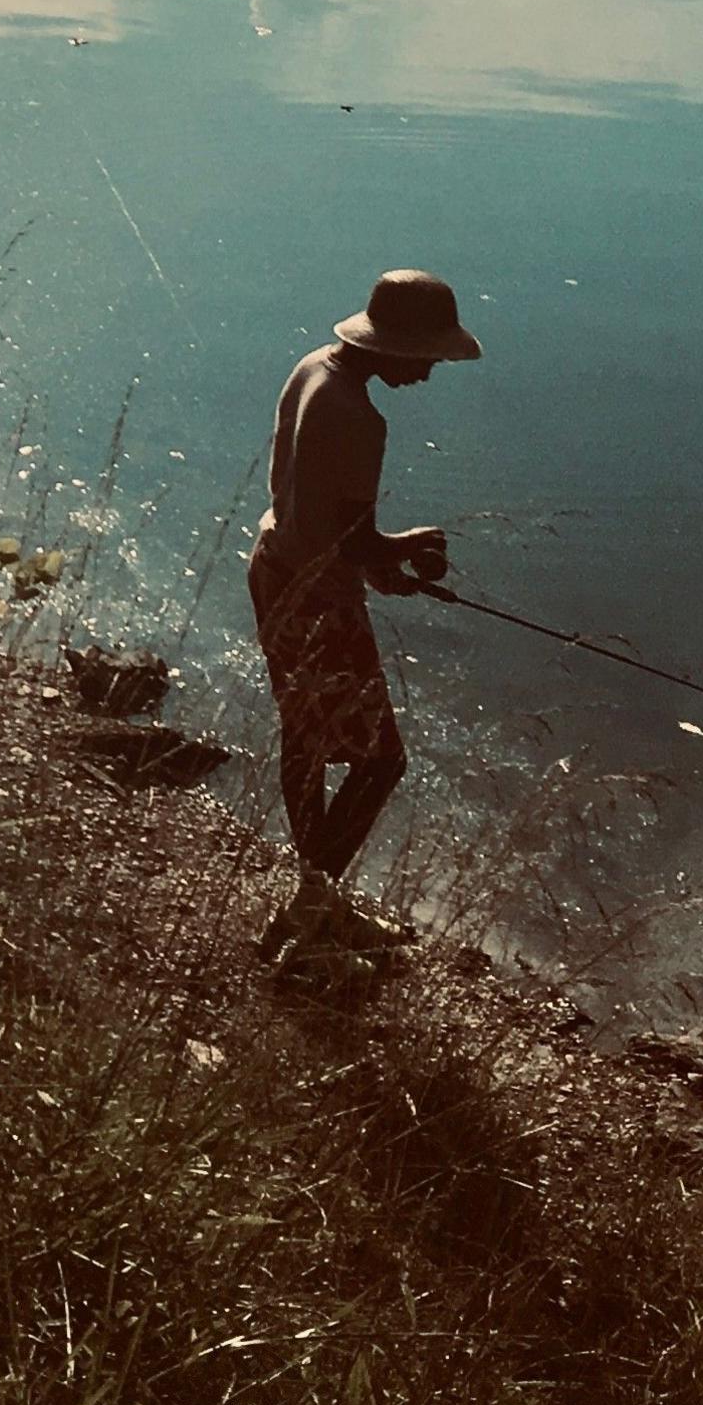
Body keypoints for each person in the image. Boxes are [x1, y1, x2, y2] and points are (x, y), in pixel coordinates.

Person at [247, 269, 480, 959]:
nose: (430, 374)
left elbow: (319, 511)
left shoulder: (313, 368)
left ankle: (313, 903)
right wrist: (407, 547)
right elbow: (357, 541)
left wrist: (381, 570)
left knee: (306, 740)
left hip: (275, 567)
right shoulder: (360, 419)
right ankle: (310, 907)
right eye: (429, 357)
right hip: (317, 598)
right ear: (397, 345)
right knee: (381, 764)